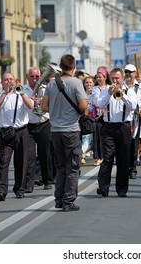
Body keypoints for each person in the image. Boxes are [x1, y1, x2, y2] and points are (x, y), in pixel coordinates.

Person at [42, 54, 88, 212]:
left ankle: (59, 200)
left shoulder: (51, 84)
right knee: (73, 167)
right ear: (73, 66)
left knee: (61, 166)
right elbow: (83, 106)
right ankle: (68, 201)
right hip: (71, 130)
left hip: (55, 130)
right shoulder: (76, 83)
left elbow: (44, 107)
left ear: (60, 67)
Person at [0, 72, 34, 201]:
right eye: (6, 80)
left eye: (11, 79)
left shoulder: (21, 95)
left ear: (15, 81)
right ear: (2, 82)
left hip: (21, 132)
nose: (9, 81)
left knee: (21, 162)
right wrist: (5, 93)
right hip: (6, 133)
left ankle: (19, 189)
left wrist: (21, 93)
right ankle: (0, 190)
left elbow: (31, 106)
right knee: (4, 162)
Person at [96, 68, 138, 197]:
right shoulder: (105, 91)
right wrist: (109, 94)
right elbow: (100, 104)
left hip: (123, 127)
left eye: (117, 78)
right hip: (108, 127)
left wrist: (122, 94)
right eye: (113, 78)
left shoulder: (129, 92)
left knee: (123, 159)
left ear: (122, 78)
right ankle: (103, 187)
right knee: (107, 157)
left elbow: (133, 106)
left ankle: (121, 189)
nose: (115, 81)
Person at [23, 67, 53, 193]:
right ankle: (29, 183)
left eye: (37, 76)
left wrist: (42, 102)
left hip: (44, 123)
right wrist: (30, 102)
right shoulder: (22, 90)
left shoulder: (46, 89)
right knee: (29, 156)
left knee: (45, 153)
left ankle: (47, 180)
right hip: (29, 125)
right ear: (27, 77)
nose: (35, 79)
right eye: (32, 77)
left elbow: (53, 105)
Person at [123, 64, 141, 179]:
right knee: (124, 144)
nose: (128, 74)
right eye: (126, 72)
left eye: (131, 72)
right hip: (122, 119)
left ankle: (133, 168)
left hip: (136, 118)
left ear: (135, 73)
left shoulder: (140, 87)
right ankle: (125, 167)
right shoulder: (121, 85)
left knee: (134, 144)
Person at [88, 67, 111, 166]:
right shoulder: (93, 89)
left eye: (100, 77)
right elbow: (90, 101)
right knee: (97, 136)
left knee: (107, 137)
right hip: (96, 115)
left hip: (108, 115)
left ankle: (106, 156)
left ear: (105, 77)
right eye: (97, 77)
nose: (99, 79)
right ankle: (97, 157)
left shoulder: (110, 88)